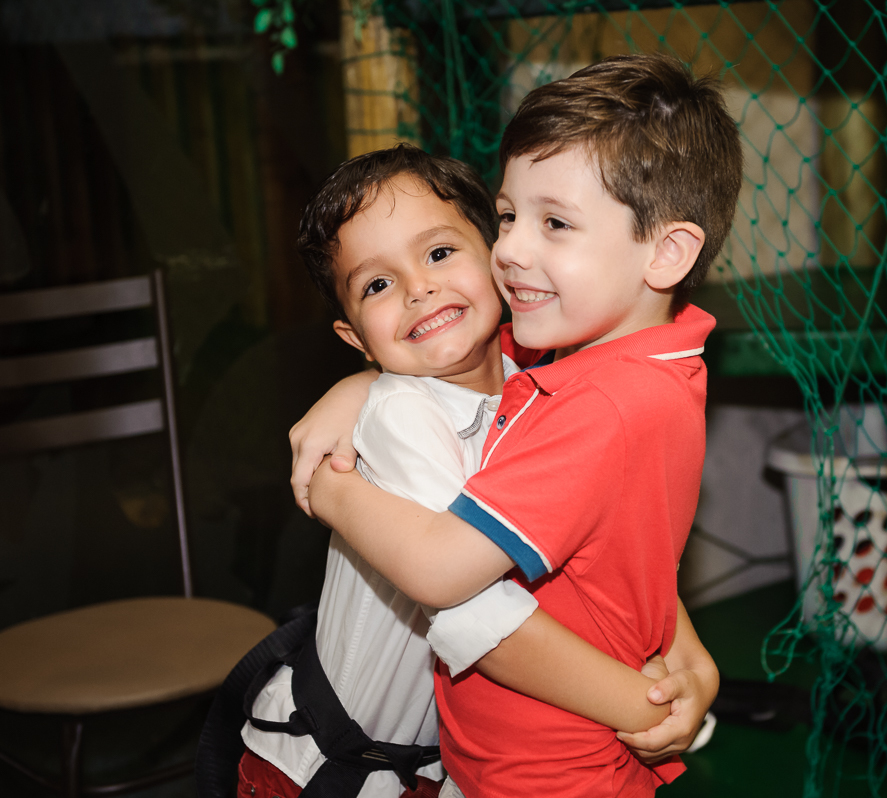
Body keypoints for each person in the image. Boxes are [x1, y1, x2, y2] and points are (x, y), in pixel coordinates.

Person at [296, 52, 742, 797]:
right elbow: (621, 556)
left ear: (666, 252)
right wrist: (363, 387)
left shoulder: (597, 403)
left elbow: (445, 576)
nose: (511, 250)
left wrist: (331, 490)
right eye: (507, 217)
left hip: (543, 770)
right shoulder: (642, 361)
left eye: (555, 224)